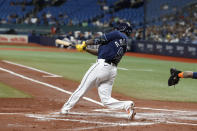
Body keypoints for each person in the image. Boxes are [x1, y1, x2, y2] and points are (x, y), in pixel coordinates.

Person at [60, 22, 135, 120]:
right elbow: (99, 52)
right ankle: (127, 105)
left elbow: (98, 40)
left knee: (82, 88)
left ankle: (65, 108)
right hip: (111, 71)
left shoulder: (117, 34)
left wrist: (85, 43)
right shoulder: (124, 42)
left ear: (122, 29)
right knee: (106, 100)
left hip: (101, 67)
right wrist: (85, 49)